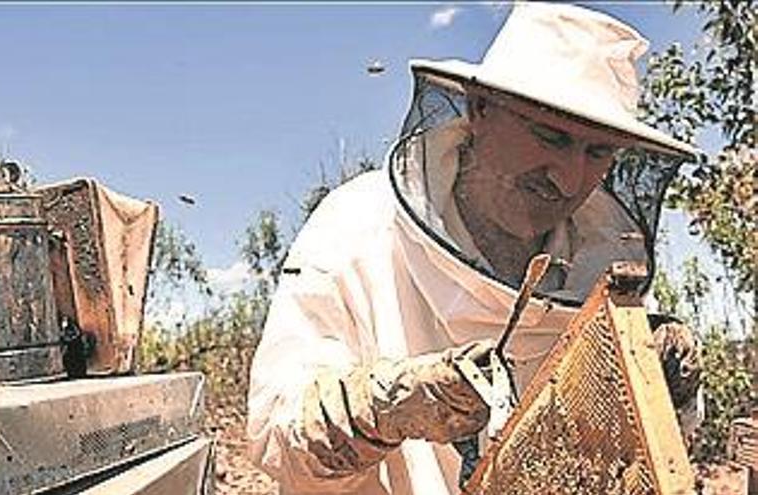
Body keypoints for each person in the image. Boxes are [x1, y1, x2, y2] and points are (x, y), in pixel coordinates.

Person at [247, 3, 701, 494]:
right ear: (480, 109)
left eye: (597, 152)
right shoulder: (357, 225)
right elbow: (278, 434)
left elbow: (654, 442)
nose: (569, 179)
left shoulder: (602, 261)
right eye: (550, 136)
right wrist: (384, 405)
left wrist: (669, 384)